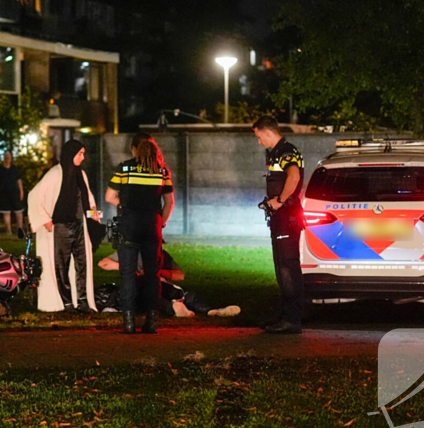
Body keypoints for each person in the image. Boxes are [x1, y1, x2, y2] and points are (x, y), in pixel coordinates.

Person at [105, 134, 174, 334]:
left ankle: (128, 323)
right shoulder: (162, 170)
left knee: (127, 274)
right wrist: (161, 222)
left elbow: (110, 197)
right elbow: (169, 201)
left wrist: (126, 206)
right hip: (152, 225)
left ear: (134, 148)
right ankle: (151, 322)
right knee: (152, 273)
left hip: (129, 224)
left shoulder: (124, 168)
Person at [27, 139, 98, 312]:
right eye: (80, 154)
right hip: (61, 227)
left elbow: (87, 200)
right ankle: (65, 302)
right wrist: (46, 220)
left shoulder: (81, 174)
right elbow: (35, 196)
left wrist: (93, 215)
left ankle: (82, 300)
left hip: (79, 226)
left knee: (82, 264)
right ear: (71, 154)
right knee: (61, 266)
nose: (83, 157)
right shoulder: (55, 174)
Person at [252, 115, 305, 334]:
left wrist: (279, 201)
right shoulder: (277, 153)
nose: (258, 141)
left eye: (258, 136)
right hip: (281, 219)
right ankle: (285, 316)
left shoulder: (286, 152)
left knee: (287, 268)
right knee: (281, 267)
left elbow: (293, 177)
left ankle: (292, 319)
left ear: (267, 132)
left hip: (287, 218)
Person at [96, 250, 240, 318]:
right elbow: (103, 263)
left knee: (187, 295)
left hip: (164, 286)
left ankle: (212, 311)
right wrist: (130, 269)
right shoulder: (130, 253)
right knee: (151, 297)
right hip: (144, 288)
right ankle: (175, 307)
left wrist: (158, 272)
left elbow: (179, 275)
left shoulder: (161, 255)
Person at [0, 151, 25, 234]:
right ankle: (8, 230)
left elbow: (19, 180)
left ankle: (20, 229)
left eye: (9, 157)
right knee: (6, 212)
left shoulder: (14, 169)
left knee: (18, 211)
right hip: (4, 193)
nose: (8, 159)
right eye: (6, 157)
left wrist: (21, 191)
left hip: (14, 192)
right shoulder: (0, 170)